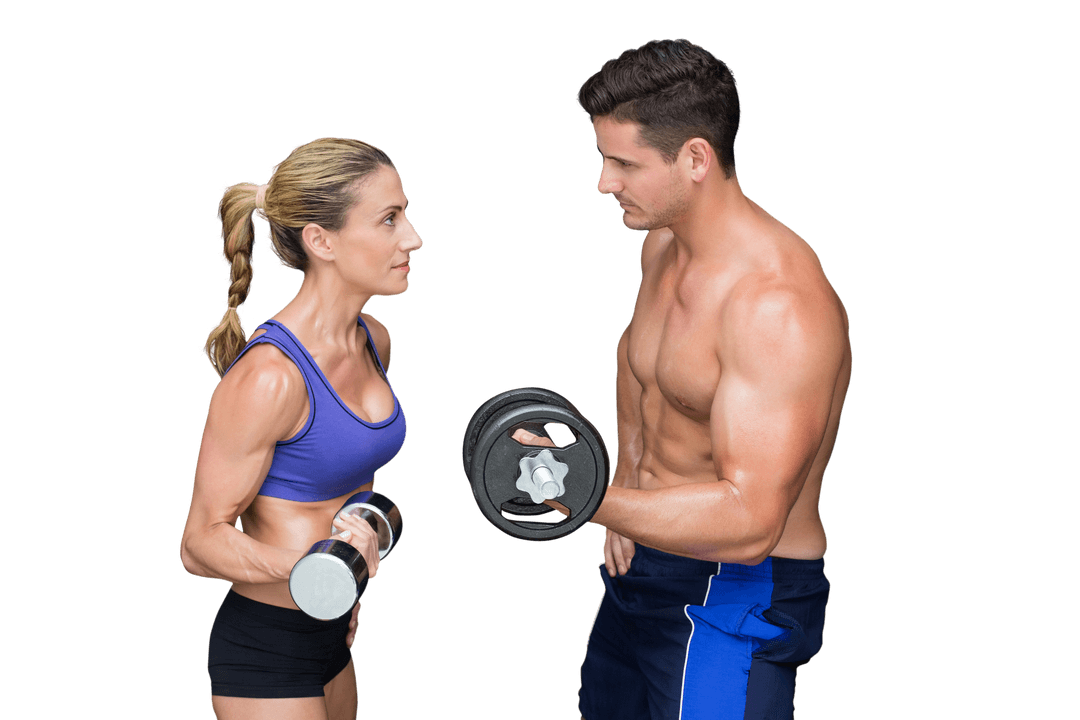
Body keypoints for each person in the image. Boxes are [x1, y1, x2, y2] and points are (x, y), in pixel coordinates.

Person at [518, 40, 851, 719]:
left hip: (736, 587)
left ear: (695, 158)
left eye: (623, 163)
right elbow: (637, 367)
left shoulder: (775, 307)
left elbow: (751, 520)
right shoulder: (664, 244)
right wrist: (631, 488)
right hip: (643, 565)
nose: (605, 182)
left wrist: (586, 497)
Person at [179, 137, 422, 719]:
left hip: (331, 635)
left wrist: (345, 581)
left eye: (406, 214)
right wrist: (315, 575)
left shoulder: (374, 339)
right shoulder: (271, 378)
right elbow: (198, 542)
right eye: (389, 220)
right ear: (321, 240)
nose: (412, 237)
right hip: (267, 645)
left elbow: (344, 472)